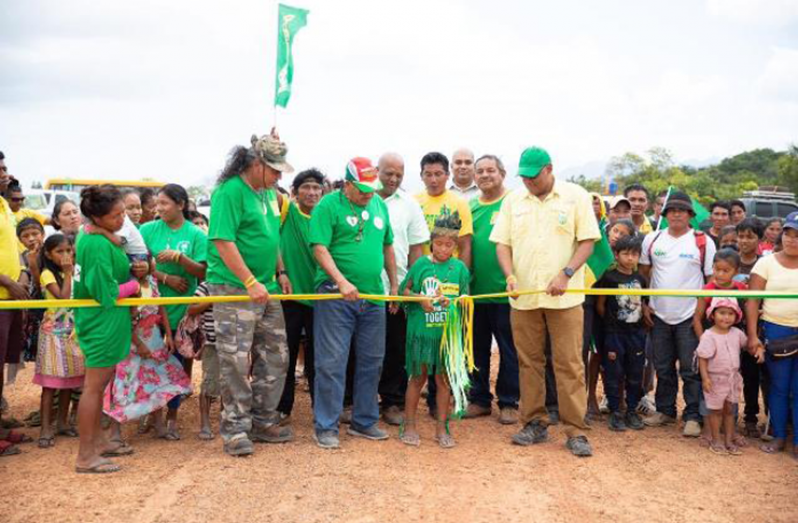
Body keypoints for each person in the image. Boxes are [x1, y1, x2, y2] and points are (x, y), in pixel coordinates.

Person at [492, 146, 601, 457]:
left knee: (569, 363)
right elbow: (503, 244)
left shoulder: (575, 195)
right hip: (524, 298)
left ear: (549, 169)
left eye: (533, 176)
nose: (527, 181)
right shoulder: (514, 200)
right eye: (523, 176)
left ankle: (576, 430)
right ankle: (534, 422)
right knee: (529, 362)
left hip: (565, 299)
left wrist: (566, 274)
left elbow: (588, 241)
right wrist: (510, 275)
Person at [206, 133, 294, 457]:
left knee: (276, 356)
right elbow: (222, 241)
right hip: (234, 288)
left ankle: (262, 420)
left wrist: (280, 271)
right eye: (274, 170)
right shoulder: (229, 193)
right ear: (256, 164)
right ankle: (235, 429)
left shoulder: (268, 193)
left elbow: (272, 237)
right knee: (235, 359)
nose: (279, 177)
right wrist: (248, 281)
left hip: (267, 287)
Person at [310, 157, 397, 449]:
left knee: (372, 360)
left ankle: (364, 421)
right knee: (332, 361)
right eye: (361, 189)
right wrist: (341, 281)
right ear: (346, 185)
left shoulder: (379, 205)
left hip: (373, 296)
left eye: (372, 189)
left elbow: (387, 246)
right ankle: (326, 426)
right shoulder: (327, 206)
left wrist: (394, 285)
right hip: (335, 294)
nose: (368, 194)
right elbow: (319, 248)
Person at [73, 185, 140, 474]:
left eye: (123, 212)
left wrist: (108, 234)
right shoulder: (96, 243)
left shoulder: (92, 234)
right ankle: (85, 456)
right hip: (102, 320)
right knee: (93, 387)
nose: (122, 219)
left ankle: (98, 443)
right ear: (97, 218)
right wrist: (135, 286)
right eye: (116, 215)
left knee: (98, 387)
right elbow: (106, 292)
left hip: (106, 320)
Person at [640, 191, 716, 436]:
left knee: (690, 368)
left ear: (690, 215)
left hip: (689, 316)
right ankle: (665, 410)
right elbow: (643, 274)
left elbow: (710, 280)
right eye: (671, 210)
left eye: (681, 210)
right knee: (662, 366)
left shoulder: (702, 241)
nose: (675, 214)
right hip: (659, 314)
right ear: (664, 214)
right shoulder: (652, 239)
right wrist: (644, 303)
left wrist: (700, 314)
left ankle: (693, 415)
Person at [141, 184, 207, 440]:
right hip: (151, 307)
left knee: (177, 363)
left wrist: (181, 258)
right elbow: (137, 265)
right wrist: (165, 277)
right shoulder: (146, 230)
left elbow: (203, 272)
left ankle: (172, 416)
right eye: (158, 204)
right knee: (150, 360)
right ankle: (152, 411)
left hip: (183, 309)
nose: (159, 208)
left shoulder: (196, 235)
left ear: (181, 205)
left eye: (165, 203)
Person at [399, 211, 469, 448]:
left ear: (455, 246)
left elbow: (466, 299)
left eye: (448, 245)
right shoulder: (420, 264)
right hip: (422, 333)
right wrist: (420, 299)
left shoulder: (459, 269)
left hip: (446, 336)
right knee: (417, 378)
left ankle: (442, 428)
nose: (442, 249)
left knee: (443, 381)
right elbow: (403, 291)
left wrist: (456, 303)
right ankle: (409, 424)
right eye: (438, 244)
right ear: (431, 243)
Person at [104, 270, 191, 447]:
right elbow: (125, 317)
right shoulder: (127, 282)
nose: (141, 263)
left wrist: (167, 333)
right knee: (125, 383)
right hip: (130, 341)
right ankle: (115, 432)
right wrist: (138, 343)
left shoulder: (152, 280)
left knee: (155, 379)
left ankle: (158, 424)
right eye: (137, 259)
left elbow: (160, 307)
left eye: (145, 259)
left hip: (153, 338)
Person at [375, 153, 429, 426]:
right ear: (377, 171)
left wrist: (412, 288)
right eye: (388, 173)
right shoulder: (361, 198)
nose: (394, 179)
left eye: (399, 174)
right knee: (362, 348)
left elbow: (417, 249)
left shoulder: (409, 204)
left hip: (397, 290)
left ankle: (393, 402)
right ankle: (354, 401)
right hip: (363, 289)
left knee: (395, 348)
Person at [466, 154, 520, 424]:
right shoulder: (469, 206)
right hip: (475, 292)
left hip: (506, 292)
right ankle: (479, 399)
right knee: (476, 348)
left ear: (502, 173)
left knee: (510, 349)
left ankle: (509, 402)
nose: (485, 175)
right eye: (480, 171)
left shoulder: (515, 202)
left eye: (491, 170)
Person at [746, 211, 798, 459]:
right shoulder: (766, 262)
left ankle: (797, 440)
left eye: (797, 236)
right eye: (788, 234)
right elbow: (753, 302)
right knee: (779, 386)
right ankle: (778, 436)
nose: (792, 240)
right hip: (776, 329)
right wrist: (753, 336)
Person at [278, 168, 325, 421]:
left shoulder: (325, 216)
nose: (312, 192)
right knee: (286, 353)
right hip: (290, 297)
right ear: (295, 192)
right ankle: (283, 408)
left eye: (317, 187)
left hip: (321, 298)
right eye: (306, 187)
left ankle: (322, 409)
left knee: (319, 357)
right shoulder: (287, 211)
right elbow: (267, 190)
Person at [34, 234, 84, 448]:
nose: (65, 256)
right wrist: (67, 272)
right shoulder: (47, 274)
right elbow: (63, 298)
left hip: (72, 331)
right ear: (48, 254)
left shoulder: (76, 272)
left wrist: (71, 273)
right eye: (59, 252)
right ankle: (46, 427)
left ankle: (62, 423)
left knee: (69, 381)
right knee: (50, 383)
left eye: (68, 251)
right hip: (53, 332)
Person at [596, 234, 647, 432]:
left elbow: (643, 304)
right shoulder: (608, 278)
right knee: (613, 373)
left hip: (636, 334)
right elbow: (601, 305)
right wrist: (611, 322)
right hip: (614, 334)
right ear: (616, 255)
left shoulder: (640, 279)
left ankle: (631, 410)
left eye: (634, 254)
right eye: (625, 254)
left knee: (635, 373)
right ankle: (616, 411)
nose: (630, 258)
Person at [0, 156, 29, 457]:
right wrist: (8, 281)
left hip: (10, 299)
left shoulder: (5, 205)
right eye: (0, 170)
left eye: (5, 168)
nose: (6, 175)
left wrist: (21, 274)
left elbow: (14, 247)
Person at [697, 298, 750, 455]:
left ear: (736, 317)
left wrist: (759, 348)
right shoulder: (709, 335)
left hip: (732, 378)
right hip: (715, 379)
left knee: (729, 410)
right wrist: (705, 378)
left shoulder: (737, 333)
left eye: (730, 314)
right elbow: (703, 358)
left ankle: (728, 439)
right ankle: (716, 440)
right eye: (721, 313)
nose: (726, 317)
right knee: (715, 411)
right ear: (713, 315)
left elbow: (748, 345)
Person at [415, 152, 474, 268]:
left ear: (447, 175)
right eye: (428, 174)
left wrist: (462, 277)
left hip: (449, 273)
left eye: (438, 174)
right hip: (421, 271)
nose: (433, 180)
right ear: (421, 176)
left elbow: (465, 246)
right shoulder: (413, 203)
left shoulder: (459, 204)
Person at [188, 281, 219, 440]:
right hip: (212, 343)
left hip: (235, 341)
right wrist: (212, 300)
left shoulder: (237, 282)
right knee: (209, 382)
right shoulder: (206, 286)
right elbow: (191, 308)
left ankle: (228, 418)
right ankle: (205, 422)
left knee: (230, 382)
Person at [736, 218, 762, 283]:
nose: (744, 241)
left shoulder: (764, 263)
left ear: (759, 240)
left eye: (750, 237)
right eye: (741, 237)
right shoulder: (729, 261)